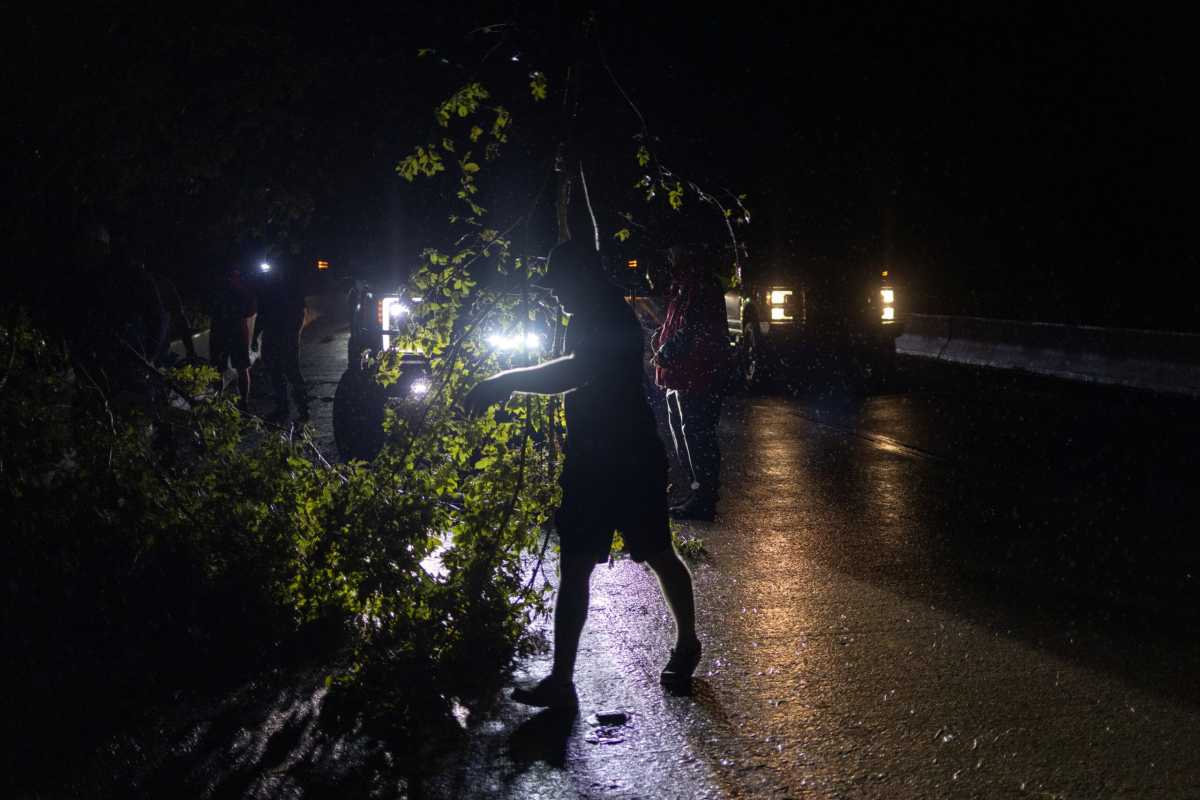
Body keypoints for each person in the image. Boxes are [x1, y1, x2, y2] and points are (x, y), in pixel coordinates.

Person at [464, 238, 702, 710]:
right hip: (592, 459)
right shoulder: (589, 312)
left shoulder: (609, 315)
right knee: (575, 564)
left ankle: (686, 644)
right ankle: (562, 680)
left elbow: (575, 371)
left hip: (629, 457)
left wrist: (506, 380)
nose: (554, 295)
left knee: (657, 552)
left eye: (558, 285)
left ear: (581, 279)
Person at [652, 244, 730, 521]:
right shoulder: (684, 285)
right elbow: (679, 325)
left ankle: (703, 497)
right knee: (687, 436)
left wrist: (667, 350)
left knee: (697, 436)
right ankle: (698, 493)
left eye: (674, 251)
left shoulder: (698, 286)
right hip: (682, 375)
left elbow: (693, 328)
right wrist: (662, 339)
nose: (670, 256)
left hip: (697, 375)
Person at [254, 259, 309, 422]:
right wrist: (256, 336)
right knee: (276, 372)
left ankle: (302, 408)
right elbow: (262, 313)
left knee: (291, 371)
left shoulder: (290, 287)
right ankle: (284, 407)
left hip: (284, 336)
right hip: (273, 335)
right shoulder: (268, 287)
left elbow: (300, 312)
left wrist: (292, 334)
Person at [207, 263, 257, 410]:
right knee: (237, 368)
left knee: (221, 368)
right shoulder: (242, 291)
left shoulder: (218, 291)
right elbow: (251, 311)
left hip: (224, 331)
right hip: (235, 331)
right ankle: (242, 403)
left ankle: (223, 402)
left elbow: (207, 309)